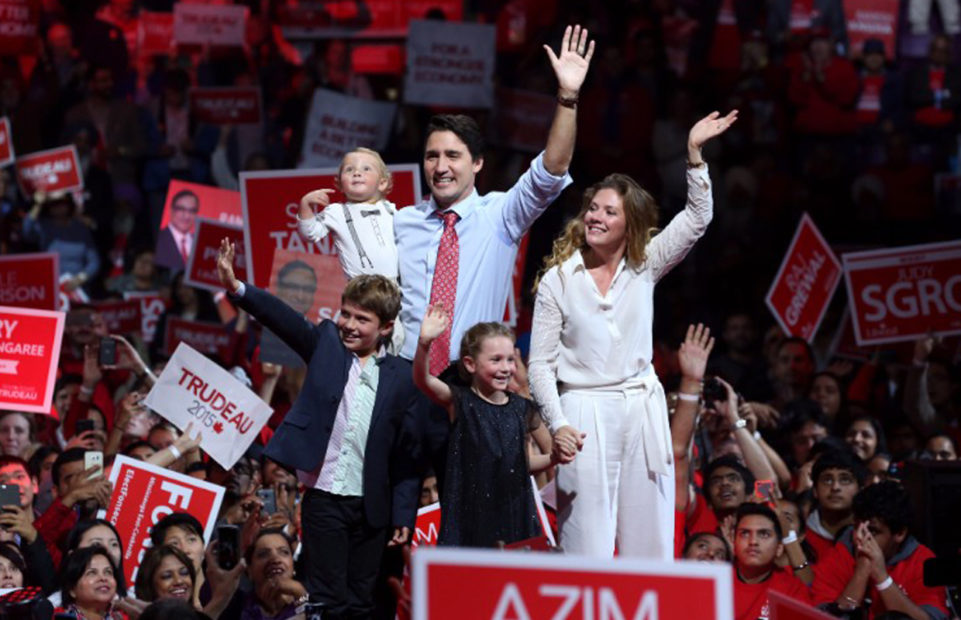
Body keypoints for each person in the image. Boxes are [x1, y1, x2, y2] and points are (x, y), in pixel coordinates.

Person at [528, 109, 737, 558]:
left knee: (651, 542)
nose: (596, 217)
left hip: (641, 408)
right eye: (593, 208)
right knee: (586, 545)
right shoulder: (558, 280)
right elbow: (540, 365)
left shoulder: (646, 265)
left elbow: (698, 218)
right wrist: (558, 423)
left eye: (609, 211)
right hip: (582, 414)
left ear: (630, 224)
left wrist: (694, 155)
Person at [217, 240, 426, 617]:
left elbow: (407, 456)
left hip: (371, 507)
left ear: (386, 328)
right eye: (346, 314)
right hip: (325, 499)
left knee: (362, 602)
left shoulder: (402, 377)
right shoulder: (326, 344)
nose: (348, 325)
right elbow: (283, 318)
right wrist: (237, 288)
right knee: (327, 601)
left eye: (362, 320)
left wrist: (404, 515)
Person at [393, 24, 595, 371]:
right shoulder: (401, 222)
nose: (440, 167)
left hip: (472, 382)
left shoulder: (501, 215)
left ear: (477, 163)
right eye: (432, 156)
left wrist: (567, 97)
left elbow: (552, 171)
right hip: (406, 375)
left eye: (453, 156)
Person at [414, 308, 554, 547]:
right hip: (470, 520)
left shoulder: (523, 408)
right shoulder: (460, 401)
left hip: (516, 514)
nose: (506, 368)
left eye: (510, 359)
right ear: (470, 363)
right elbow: (423, 380)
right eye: (496, 360)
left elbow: (521, 465)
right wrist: (424, 343)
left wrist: (555, 457)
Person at [813, 481, 950, 619]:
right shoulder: (839, 554)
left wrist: (882, 578)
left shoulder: (924, 562)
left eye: (872, 531)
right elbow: (823, 616)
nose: (859, 538)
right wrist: (861, 572)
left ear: (899, 533)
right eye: (857, 527)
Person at [298, 147, 399, 280]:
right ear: (340, 183)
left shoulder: (390, 210)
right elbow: (309, 233)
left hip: (396, 286)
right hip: (360, 289)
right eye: (349, 169)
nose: (357, 173)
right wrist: (305, 205)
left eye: (366, 169)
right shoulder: (336, 212)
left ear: (382, 183)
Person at [731, 503, 812, 620]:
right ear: (734, 542)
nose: (753, 541)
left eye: (764, 534)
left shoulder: (792, 590)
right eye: (745, 533)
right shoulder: (716, 582)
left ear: (779, 548)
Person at [805, 449, 865, 560]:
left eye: (845, 480)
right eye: (827, 480)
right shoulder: (800, 537)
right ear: (815, 490)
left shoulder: (872, 535)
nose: (835, 487)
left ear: (860, 489)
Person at [56, 545, 126, 620]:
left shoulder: (127, 617)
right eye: (92, 573)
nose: (103, 578)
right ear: (72, 589)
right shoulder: (54, 617)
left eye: (108, 572)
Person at [156, 189, 199, 272]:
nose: (186, 216)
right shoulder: (159, 238)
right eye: (181, 209)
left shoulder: (198, 244)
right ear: (171, 210)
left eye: (192, 211)